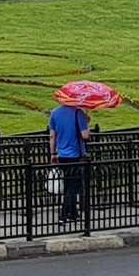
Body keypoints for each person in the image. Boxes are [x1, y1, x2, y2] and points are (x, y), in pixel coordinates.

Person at [46, 94, 91, 227]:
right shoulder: (78, 113)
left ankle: (73, 213)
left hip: (61, 154)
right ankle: (64, 214)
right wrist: (86, 124)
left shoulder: (54, 113)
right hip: (75, 154)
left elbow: (52, 136)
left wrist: (53, 153)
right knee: (73, 186)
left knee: (68, 183)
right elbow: (85, 135)